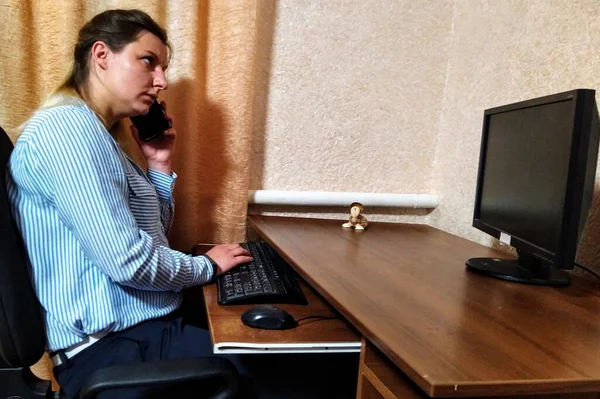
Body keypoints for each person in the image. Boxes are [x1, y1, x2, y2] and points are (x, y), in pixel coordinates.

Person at [6, 8, 358, 399]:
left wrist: (158, 163)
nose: (161, 81)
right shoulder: (68, 130)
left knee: (307, 347)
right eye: (148, 61)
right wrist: (207, 266)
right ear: (101, 55)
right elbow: (129, 261)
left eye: (163, 68)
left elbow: (152, 233)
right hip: (114, 351)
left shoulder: (99, 136)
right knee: (328, 367)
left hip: (138, 337)